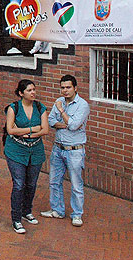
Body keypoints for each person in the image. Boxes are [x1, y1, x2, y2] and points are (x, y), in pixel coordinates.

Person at [41, 74, 90, 227]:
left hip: (74, 150)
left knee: (76, 184)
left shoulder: (82, 105)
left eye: (68, 87)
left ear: (75, 88)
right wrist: (65, 124)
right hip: (58, 148)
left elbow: (74, 126)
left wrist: (62, 111)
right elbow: (51, 121)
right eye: (62, 87)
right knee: (54, 181)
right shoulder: (59, 101)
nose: (65, 90)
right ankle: (57, 210)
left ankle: (77, 214)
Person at [4, 79, 50, 234]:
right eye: (29, 90)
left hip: (35, 150)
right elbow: (10, 130)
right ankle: (16, 219)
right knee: (19, 184)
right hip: (16, 150)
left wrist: (27, 133)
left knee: (31, 183)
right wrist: (32, 129)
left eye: (34, 89)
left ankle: (27, 211)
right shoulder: (14, 108)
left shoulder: (40, 107)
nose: (33, 93)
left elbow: (45, 130)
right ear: (21, 93)